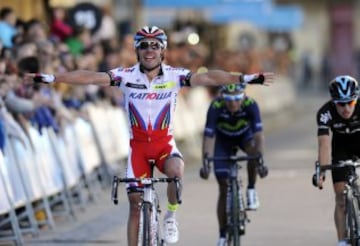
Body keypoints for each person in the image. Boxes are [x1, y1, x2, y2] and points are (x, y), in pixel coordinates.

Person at [28, 26, 274, 246]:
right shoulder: (125, 76)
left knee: (176, 173)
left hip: (164, 147)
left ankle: (170, 216)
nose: (149, 50)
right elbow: (90, 77)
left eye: (154, 46)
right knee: (135, 205)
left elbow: (208, 76)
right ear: (137, 51)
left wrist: (244, 78)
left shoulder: (175, 76)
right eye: (144, 45)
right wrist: (52, 78)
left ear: (162, 51)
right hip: (138, 150)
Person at [199, 83, 268, 246]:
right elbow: (208, 136)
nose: (233, 103)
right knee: (223, 187)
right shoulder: (215, 106)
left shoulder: (251, 105)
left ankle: (251, 188)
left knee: (253, 153)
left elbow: (259, 135)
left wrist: (260, 161)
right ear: (223, 97)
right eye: (229, 99)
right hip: (223, 142)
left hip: (245, 137)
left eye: (237, 99)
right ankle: (222, 234)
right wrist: (206, 163)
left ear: (243, 96)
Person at [314, 75, 360, 246]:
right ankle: (342, 241)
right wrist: (322, 171)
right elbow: (324, 144)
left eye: (351, 103)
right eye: (341, 104)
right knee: (340, 198)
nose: (346, 108)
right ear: (333, 102)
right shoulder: (325, 113)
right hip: (340, 147)